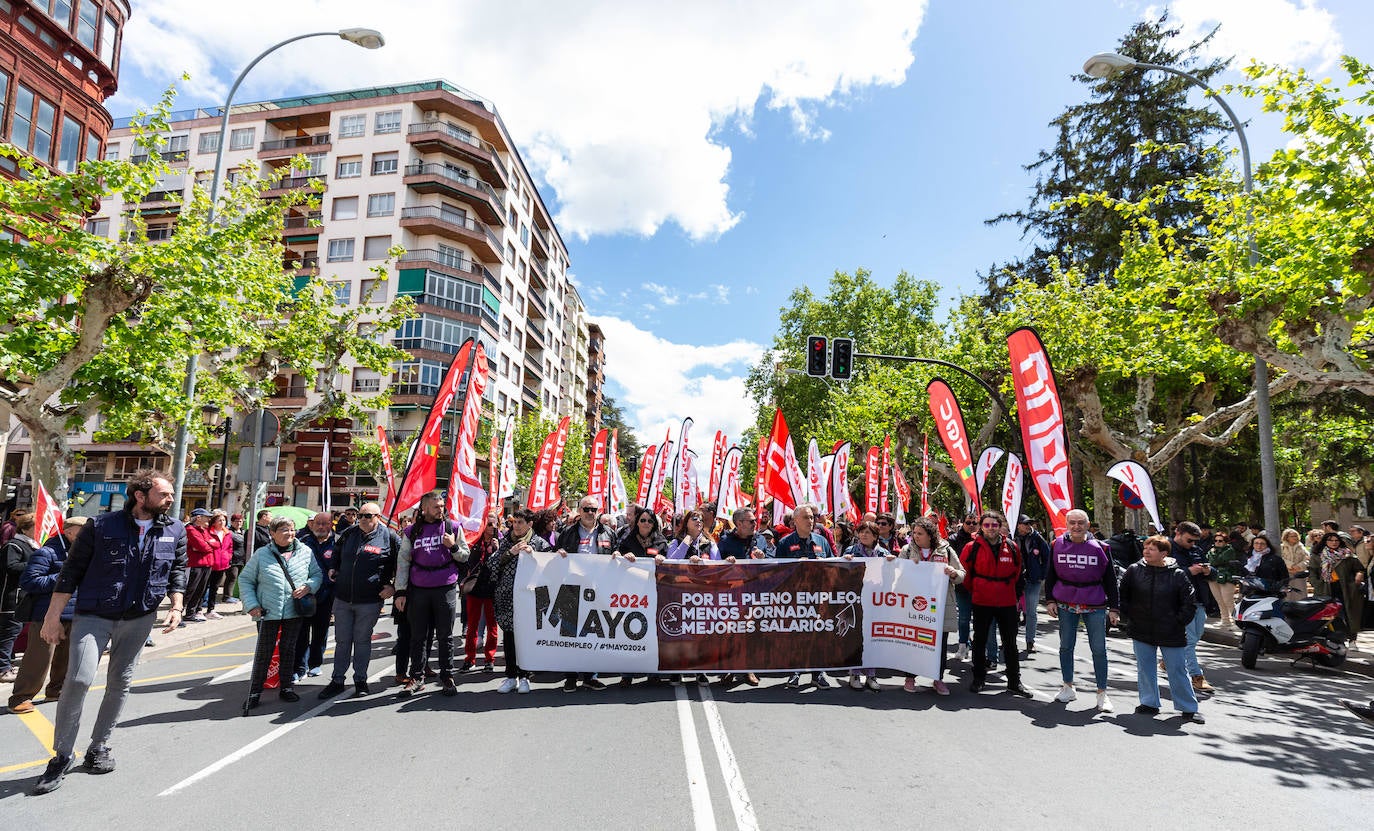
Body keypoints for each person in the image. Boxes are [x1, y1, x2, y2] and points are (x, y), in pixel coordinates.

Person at [32, 469, 187, 795]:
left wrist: (177, 606)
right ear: (141, 496)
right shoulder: (101, 526)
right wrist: (52, 617)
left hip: (139, 616)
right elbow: (71, 572)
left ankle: (99, 746)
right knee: (78, 679)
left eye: (171, 494)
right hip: (94, 614)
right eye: (165, 494)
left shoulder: (175, 529)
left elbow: (178, 570)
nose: (171, 499)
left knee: (121, 681)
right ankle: (61, 755)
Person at [239, 516, 321, 714]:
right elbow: (246, 580)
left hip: (294, 611)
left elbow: (317, 575)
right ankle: (254, 693)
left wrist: (308, 587)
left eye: (292, 529)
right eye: (284, 530)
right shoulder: (261, 554)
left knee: (288, 650)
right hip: (267, 612)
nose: (290, 533)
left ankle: (286, 687)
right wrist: (251, 605)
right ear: (273, 533)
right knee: (263, 654)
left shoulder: (305, 552)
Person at [1118, 535, 1204, 723]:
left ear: (1164, 553)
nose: (1147, 551)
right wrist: (1130, 615)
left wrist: (1178, 621)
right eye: (1145, 547)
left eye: (1152, 548)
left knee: (1177, 669)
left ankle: (1188, 708)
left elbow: (1189, 602)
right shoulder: (1134, 570)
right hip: (1141, 629)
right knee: (1145, 668)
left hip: (1170, 630)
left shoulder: (1177, 574)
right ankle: (1149, 703)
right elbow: (1122, 595)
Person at [317, 502, 398, 698]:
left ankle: (360, 680)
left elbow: (402, 563)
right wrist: (333, 567)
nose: (362, 519)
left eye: (368, 516)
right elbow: (336, 553)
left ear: (378, 517)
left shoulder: (390, 537)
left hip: (370, 600)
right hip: (343, 598)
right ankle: (337, 680)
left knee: (362, 641)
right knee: (342, 641)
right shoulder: (348, 533)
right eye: (361, 515)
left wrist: (393, 586)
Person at [7, 517, 87, 713]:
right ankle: (20, 698)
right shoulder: (47, 552)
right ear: (69, 532)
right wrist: (61, 577)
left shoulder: (84, 552)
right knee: (38, 658)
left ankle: (56, 690)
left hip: (74, 612)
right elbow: (30, 582)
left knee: (66, 657)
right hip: (46, 614)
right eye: (82, 530)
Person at [395, 491, 470, 697]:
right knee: (418, 636)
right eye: (436, 507)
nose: (441, 510)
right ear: (424, 508)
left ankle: (447, 676)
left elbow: (464, 556)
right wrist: (400, 592)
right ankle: (416, 676)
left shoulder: (452, 527)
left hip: (445, 587)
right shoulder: (411, 531)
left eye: (442, 506)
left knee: (445, 636)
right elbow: (403, 562)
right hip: (418, 589)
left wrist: (452, 545)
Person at [1044, 509, 1119, 712]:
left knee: (1099, 649)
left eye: (1081, 523)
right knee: (1066, 646)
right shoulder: (1056, 545)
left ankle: (1102, 692)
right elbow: (1050, 574)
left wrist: (1114, 608)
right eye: (1072, 523)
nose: (1076, 526)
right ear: (1067, 525)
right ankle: (1068, 686)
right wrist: (1049, 599)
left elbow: (1111, 579)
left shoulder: (1101, 548)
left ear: (1088, 525)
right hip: (1065, 603)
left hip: (1094, 603)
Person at [551, 495, 617, 692]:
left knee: (593, 634)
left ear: (598, 512)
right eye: (586, 509)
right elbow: (556, 552)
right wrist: (558, 553)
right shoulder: (567, 532)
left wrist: (618, 556)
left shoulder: (608, 533)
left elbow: (616, 553)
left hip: (598, 590)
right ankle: (570, 677)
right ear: (579, 511)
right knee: (570, 633)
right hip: (571, 587)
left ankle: (590, 676)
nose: (590, 513)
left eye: (593, 510)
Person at [962, 510, 1031, 697]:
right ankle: (978, 679)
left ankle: (1014, 681)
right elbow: (965, 574)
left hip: (1007, 601)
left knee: (1010, 643)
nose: (991, 529)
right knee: (980, 640)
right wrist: (978, 588)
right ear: (981, 527)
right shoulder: (971, 547)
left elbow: (1017, 572)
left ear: (1000, 526)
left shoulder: (1012, 546)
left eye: (994, 525)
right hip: (982, 600)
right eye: (986, 525)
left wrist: (1010, 592)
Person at [899, 516, 962, 695]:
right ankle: (910, 677)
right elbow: (896, 572)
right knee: (913, 642)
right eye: (914, 533)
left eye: (920, 533)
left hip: (939, 606)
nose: (915, 536)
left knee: (939, 644)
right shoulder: (907, 549)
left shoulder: (946, 550)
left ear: (930, 535)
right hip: (914, 605)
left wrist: (953, 573)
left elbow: (961, 573)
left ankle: (938, 678)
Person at [775, 504, 835, 689]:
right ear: (795, 521)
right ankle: (795, 671)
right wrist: (795, 566)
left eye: (812, 517)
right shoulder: (785, 543)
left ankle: (818, 673)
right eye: (806, 518)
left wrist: (824, 564)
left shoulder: (821, 541)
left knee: (818, 635)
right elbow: (777, 571)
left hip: (818, 597)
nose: (810, 521)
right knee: (796, 635)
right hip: (796, 598)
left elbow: (834, 564)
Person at [493, 509, 549, 694]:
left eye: (520, 522)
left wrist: (535, 556)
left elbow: (552, 566)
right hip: (507, 597)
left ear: (530, 524)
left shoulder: (540, 543)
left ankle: (525, 676)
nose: (516, 526)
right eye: (514, 522)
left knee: (525, 638)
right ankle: (511, 676)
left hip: (530, 599)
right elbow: (492, 565)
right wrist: (511, 552)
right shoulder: (505, 542)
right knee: (509, 637)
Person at [840, 520, 893, 690]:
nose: (863, 535)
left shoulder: (883, 553)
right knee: (856, 636)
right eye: (861, 531)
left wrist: (893, 563)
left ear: (875, 536)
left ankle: (871, 674)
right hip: (855, 599)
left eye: (867, 532)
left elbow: (891, 576)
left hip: (875, 601)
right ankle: (854, 673)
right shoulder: (851, 551)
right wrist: (845, 561)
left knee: (872, 638)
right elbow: (841, 573)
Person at [1169, 521, 1214, 695]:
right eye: (1189, 540)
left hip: (1199, 600)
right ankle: (1196, 676)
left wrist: (1209, 570)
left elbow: (1211, 569)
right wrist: (1188, 571)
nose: (1192, 544)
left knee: (1196, 637)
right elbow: (1165, 573)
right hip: (1179, 602)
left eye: (1195, 541)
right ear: (1178, 533)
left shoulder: (1197, 550)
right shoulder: (1167, 548)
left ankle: (1169, 659)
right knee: (1188, 641)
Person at [293, 512, 337, 680]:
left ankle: (316, 664)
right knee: (301, 633)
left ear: (330, 525)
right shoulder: (302, 542)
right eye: (317, 523)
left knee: (320, 632)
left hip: (326, 597)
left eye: (324, 523)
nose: (320, 527)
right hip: (306, 596)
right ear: (311, 524)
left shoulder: (338, 542)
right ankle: (299, 668)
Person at [1, 510, 39, 682]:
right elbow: (11, 566)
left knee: (13, 632)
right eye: (35, 528)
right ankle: (2, 669)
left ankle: (6, 664)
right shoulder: (14, 546)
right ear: (25, 529)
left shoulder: (32, 546)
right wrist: (34, 563)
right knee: (9, 632)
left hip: (23, 597)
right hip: (11, 598)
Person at [459, 518, 500, 673]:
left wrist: (497, 549)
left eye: (494, 524)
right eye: (489, 524)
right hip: (475, 587)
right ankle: (470, 659)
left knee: (492, 626)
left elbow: (502, 563)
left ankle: (490, 659)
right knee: (472, 626)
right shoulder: (474, 541)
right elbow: (467, 561)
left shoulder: (501, 541)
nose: (492, 527)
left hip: (492, 588)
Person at [948, 513, 987, 663]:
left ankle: (980, 648)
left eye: (974, 523)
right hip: (962, 585)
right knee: (964, 618)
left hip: (980, 586)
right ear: (962, 523)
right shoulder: (953, 540)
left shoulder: (982, 539)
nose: (971, 525)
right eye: (968, 522)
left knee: (980, 619)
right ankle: (963, 645)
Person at [1014, 514, 1050, 654]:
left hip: (1032, 580)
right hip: (1014, 581)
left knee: (1031, 612)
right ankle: (1009, 641)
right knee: (1011, 612)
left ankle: (1030, 641)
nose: (1028, 526)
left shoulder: (1037, 538)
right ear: (1018, 525)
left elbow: (1047, 558)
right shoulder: (1011, 537)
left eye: (1030, 523)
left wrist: (1041, 575)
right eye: (1025, 523)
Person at [1205, 531, 1246, 627]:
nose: (1217, 542)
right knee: (1219, 600)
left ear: (1226, 542)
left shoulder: (1229, 550)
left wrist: (1212, 554)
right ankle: (1225, 620)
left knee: (1228, 600)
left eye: (1220, 540)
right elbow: (1210, 560)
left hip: (1226, 578)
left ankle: (1237, 622)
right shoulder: (1212, 550)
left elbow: (1216, 561)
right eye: (1216, 540)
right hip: (1213, 577)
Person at [1279, 528, 1309, 594]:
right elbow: (1280, 559)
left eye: (1296, 536)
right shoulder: (1281, 547)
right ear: (1287, 537)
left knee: (1300, 592)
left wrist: (1299, 566)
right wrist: (1291, 565)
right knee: (1287, 593)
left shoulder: (1302, 547)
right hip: (1286, 573)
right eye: (1292, 536)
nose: (1294, 537)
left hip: (1299, 573)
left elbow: (1307, 559)